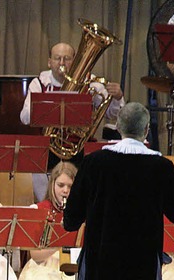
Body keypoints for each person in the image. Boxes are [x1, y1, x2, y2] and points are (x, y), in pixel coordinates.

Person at [63, 102, 174, 280]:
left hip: (102, 254)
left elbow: (72, 217)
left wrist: (72, 221)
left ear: (118, 127)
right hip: (141, 257)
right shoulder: (162, 167)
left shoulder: (94, 162)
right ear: (145, 132)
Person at [18, 42, 125, 201]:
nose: (62, 63)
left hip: (80, 148)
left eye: (67, 59)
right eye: (57, 58)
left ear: (74, 61)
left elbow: (112, 114)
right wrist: (45, 104)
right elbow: (24, 117)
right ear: (49, 62)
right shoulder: (39, 83)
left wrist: (117, 97)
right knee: (36, 163)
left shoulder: (90, 83)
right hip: (50, 147)